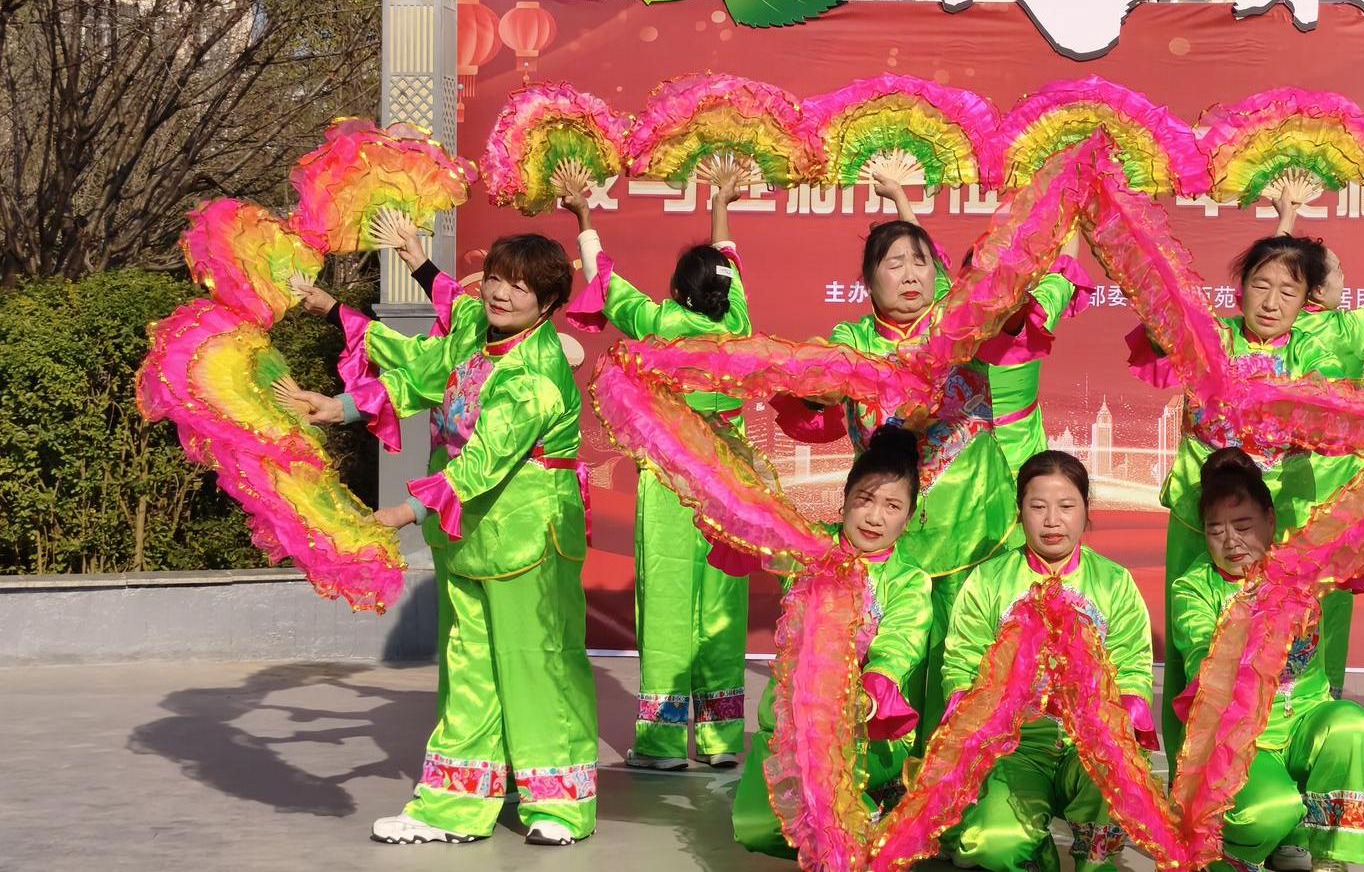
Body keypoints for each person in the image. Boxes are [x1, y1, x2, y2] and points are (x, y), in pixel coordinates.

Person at [1134, 180, 1364, 761]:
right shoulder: (1208, 339)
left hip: (1287, 530)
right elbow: (1157, 305)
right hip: (1201, 525)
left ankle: (1295, 765)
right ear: (1240, 289)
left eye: (1287, 293)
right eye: (1259, 287)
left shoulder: (1322, 347)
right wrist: (1286, 221)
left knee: (1294, 656)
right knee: (1200, 653)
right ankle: (1193, 777)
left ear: (1307, 303)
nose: (1271, 302)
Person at [279, 233, 597, 846]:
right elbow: (423, 370)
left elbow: (482, 462)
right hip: (469, 535)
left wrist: (402, 513)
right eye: (496, 278)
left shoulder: (536, 374)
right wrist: (340, 407)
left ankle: (560, 806)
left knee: (537, 664)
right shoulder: (478, 331)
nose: (500, 293)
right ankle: (454, 804)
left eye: (520, 287)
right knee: (467, 664)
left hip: (528, 535)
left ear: (550, 303)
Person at [777, 174, 1022, 741]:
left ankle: (954, 764)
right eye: (894, 265)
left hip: (972, 524)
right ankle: (884, 765)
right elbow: (816, 383)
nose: (911, 275)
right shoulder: (853, 339)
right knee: (889, 651)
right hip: (889, 532)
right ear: (868, 282)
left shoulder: (956, 321)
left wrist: (903, 205)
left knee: (965, 654)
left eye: (920, 263)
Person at [552, 158, 753, 771]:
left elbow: (602, 279)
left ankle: (664, 743)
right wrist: (721, 205)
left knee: (665, 599)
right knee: (721, 606)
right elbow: (728, 260)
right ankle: (721, 740)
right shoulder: (739, 322)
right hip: (730, 482)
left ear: (679, 291)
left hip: (671, 480)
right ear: (724, 291)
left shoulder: (661, 322)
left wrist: (583, 215)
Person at [1170, 448, 1364, 872]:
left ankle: (1330, 860)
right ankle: (1223, 859)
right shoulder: (1193, 589)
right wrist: (1255, 623)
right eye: (1215, 530)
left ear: (1270, 520)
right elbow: (1204, 662)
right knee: (1270, 809)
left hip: (1304, 721)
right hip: (1240, 740)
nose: (1231, 542)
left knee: (1352, 728)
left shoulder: (1300, 567)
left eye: (1243, 526)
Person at [943, 450, 1156, 872]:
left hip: (1091, 742)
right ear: (1020, 511)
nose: (1052, 521)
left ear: (1085, 510)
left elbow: (1132, 661)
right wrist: (973, 713)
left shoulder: (1114, 581)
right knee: (994, 845)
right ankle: (1035, 855)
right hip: (1016, 745)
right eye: (1038, 507)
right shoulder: (989, 580)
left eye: (1066, 506)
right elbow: (963, 658)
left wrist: (1121, 719)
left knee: (1114, 771)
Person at [729, 426, 934, 857]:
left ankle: (873, 805)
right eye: (865, 500)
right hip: (793, 724)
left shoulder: (908, 581)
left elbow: (901, 642)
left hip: (864, 731)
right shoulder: (810, 550)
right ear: (844, 500)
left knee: (838, 830)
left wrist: (874, 688)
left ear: (909, 517)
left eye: (892, 506)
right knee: (758, 827)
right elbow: (756, 528)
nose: (875, 517)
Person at [971, 232, 1089, 474]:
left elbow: (932, 269)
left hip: (977, 468)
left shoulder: (948, 328)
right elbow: (1065, 268)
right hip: (1024, 469)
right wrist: (1072, 217)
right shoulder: (1039, 317)